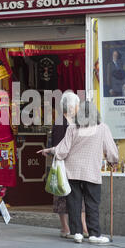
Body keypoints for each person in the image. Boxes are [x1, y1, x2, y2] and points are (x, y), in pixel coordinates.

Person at [38, 101, 119, 244]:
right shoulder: (102, 128)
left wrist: (49, 150)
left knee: (74, 203)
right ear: (96, 114)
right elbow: (111, 151)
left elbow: (62, 150)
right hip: (91, 172)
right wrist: (113, 161)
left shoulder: (72, 128)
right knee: (92, 203)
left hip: (72, 171)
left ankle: (77, 233)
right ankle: (94, 234)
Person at [51, 91, 88, 239]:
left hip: (73, 163)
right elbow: (59, 145)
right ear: (72, 107)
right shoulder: (62, 122)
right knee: (63, 194)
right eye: (78, 105)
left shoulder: (73, 121)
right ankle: (67, 227)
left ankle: (80, 227)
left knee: (76, 195)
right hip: (64, 163)